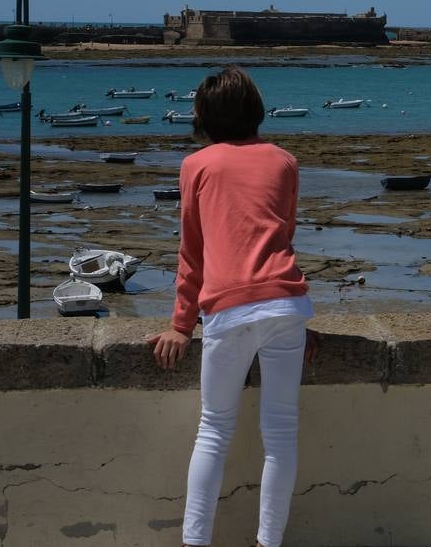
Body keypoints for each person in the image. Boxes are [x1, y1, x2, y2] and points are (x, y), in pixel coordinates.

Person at [146, 66, 318, 547]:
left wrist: (181, 326)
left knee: (214, 431)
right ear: (255, 111)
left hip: (229, 309)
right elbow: (281, 237)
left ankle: (196, 542)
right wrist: (295, 315)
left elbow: (192, 252)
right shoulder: (284, 161)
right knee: (280, 434)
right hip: (287, 305)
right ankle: (268, 542)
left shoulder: (196, 166)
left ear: (205, 116)